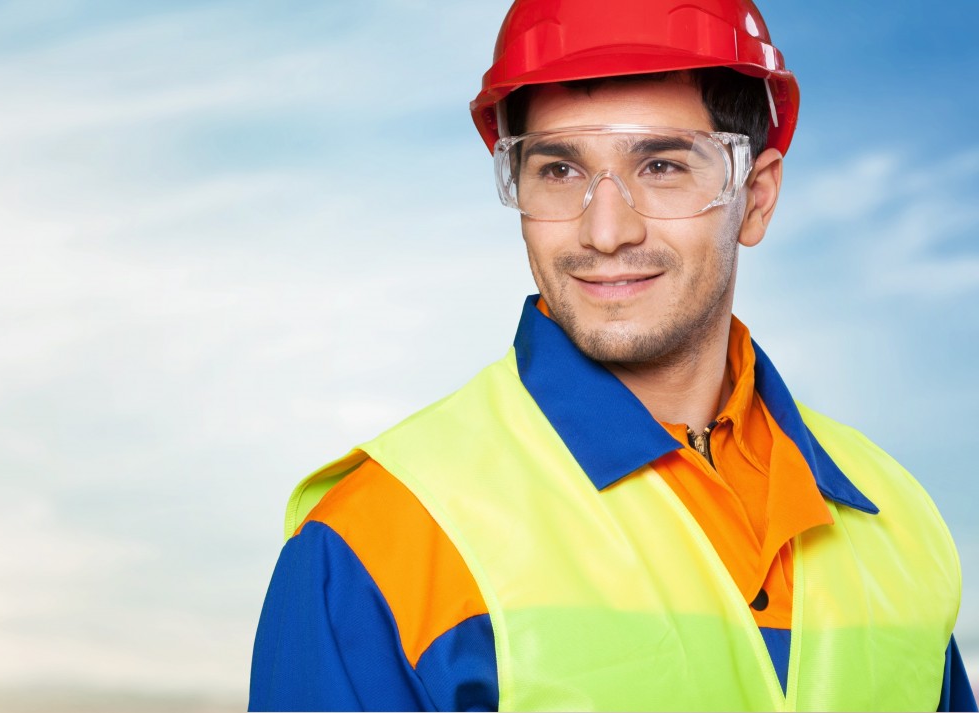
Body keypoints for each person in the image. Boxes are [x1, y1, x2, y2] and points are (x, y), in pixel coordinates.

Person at [249, 0, 976, 710]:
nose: (604, 230)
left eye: (661, 165)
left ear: (755, 197)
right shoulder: (383, 540)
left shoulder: (899, 522)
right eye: (559, 170)